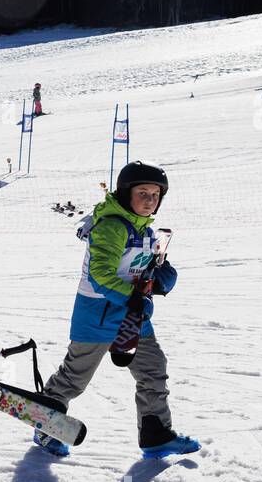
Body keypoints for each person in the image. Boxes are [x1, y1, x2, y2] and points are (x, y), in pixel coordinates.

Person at [34, 161, 199, 460]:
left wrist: (161, 277)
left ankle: (156, 436)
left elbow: (146, 269)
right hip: (96, 314)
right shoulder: (112, 226)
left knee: (153, 369)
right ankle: (46, 428)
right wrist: (134, 298)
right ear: (125, 194)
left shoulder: (147, 231)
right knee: (74, 378)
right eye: (142, 192)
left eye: (155, 194)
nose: (149, 199)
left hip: (132, 315)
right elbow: (101, 275)